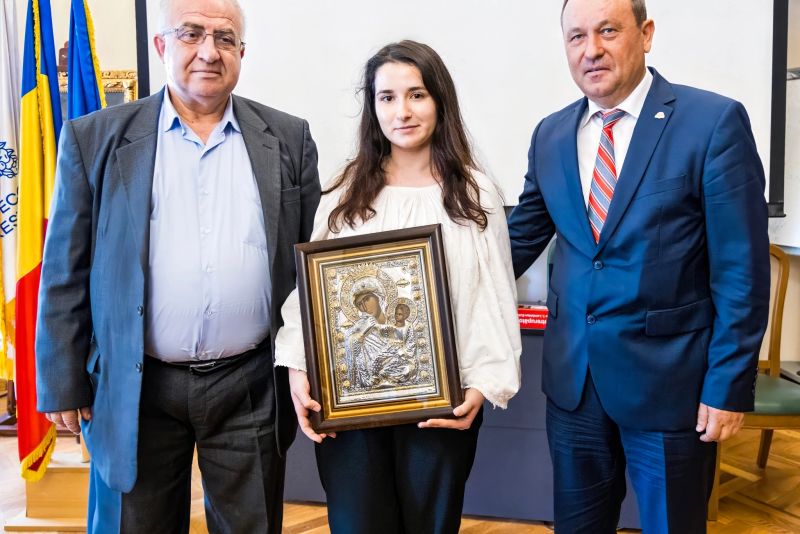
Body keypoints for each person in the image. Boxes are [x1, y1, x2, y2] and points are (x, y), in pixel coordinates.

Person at [34, 0, 320, 531]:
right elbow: (65, 271)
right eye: (191, 34)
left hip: (251, 384)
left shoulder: (288, 137)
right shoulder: (94, 138)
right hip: (135, 385)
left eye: (225, 38)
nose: (209, 51)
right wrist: (61, 380)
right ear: (161, 45)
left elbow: (307, 267)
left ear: (241, 53)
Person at [506, 0, 770, 532]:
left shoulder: (712, 122)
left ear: (645, 34)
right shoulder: (550, 135)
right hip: (574, 385)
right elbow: (517, 241)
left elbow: (741, 271)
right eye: (576, 37)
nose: (591, 50)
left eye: (608, 31)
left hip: (671, 388)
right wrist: (425, 287)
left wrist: (727, 384)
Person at [274, 40, 521, 533]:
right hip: (349, 407)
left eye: (416, 95)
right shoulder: (344, 192)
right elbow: (313, 293)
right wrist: (300, 367)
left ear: (440, 101)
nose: (401, 111)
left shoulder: (474, 195)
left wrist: (483, 384)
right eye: (387, 97)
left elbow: (493, 296)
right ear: (373, 108)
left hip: (441, 405)